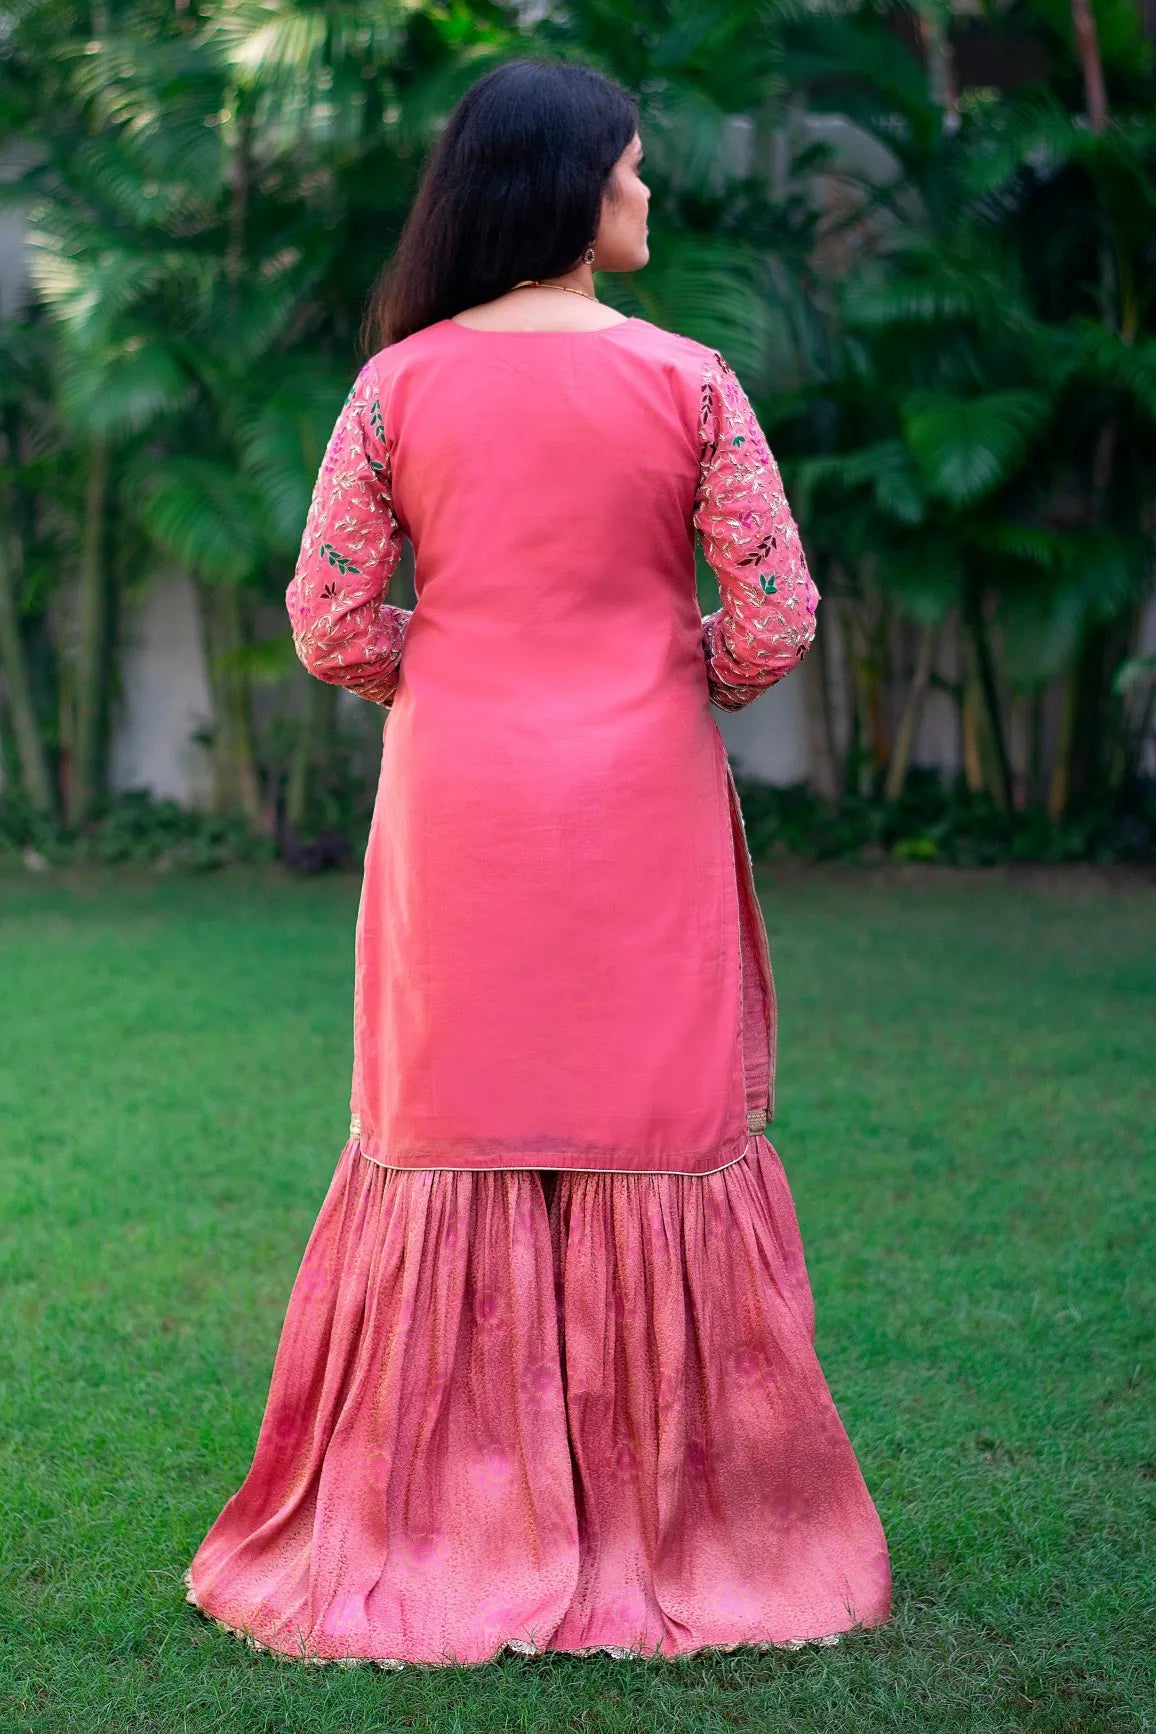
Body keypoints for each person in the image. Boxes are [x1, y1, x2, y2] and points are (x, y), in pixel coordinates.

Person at [184, 55, 892, 1668]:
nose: (650, 194)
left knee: (456, 1127)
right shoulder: (692, 381)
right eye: (634, 171)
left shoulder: (396, 386)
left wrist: (447, 676)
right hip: (638, 794)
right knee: (657, 1128)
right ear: (574, 190)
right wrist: (672, 674)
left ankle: (438, 1515)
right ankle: (685, 1518)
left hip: (465, 802)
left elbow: (328, 617)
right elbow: (776, 612)